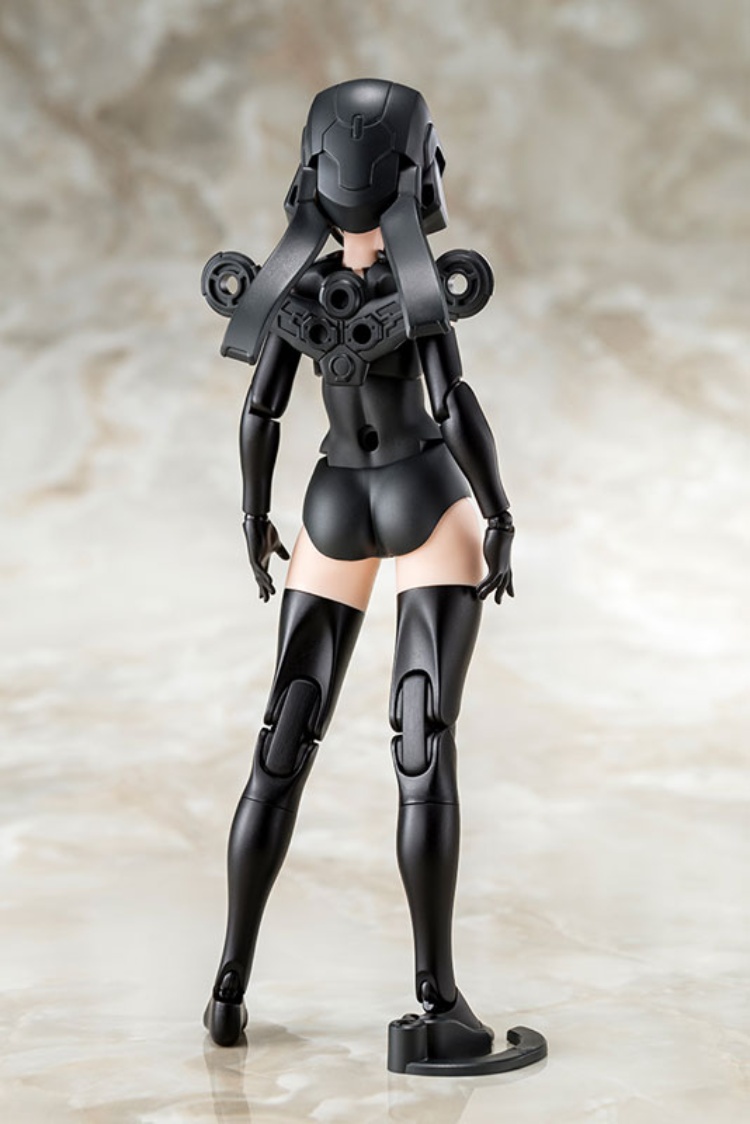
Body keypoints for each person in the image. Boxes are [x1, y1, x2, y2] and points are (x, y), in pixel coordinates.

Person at [201, 79, 546, 1075]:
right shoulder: (419, 286)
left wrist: (253, 513)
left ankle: (228, 986)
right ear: (417, 170)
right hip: (421, 494)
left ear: (313, 170)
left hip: (331, 504)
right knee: (421, 742)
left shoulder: (296, 291)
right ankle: (437, 997)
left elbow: (261, 413)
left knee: (282, 743)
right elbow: (453, 402)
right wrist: (501, 512)